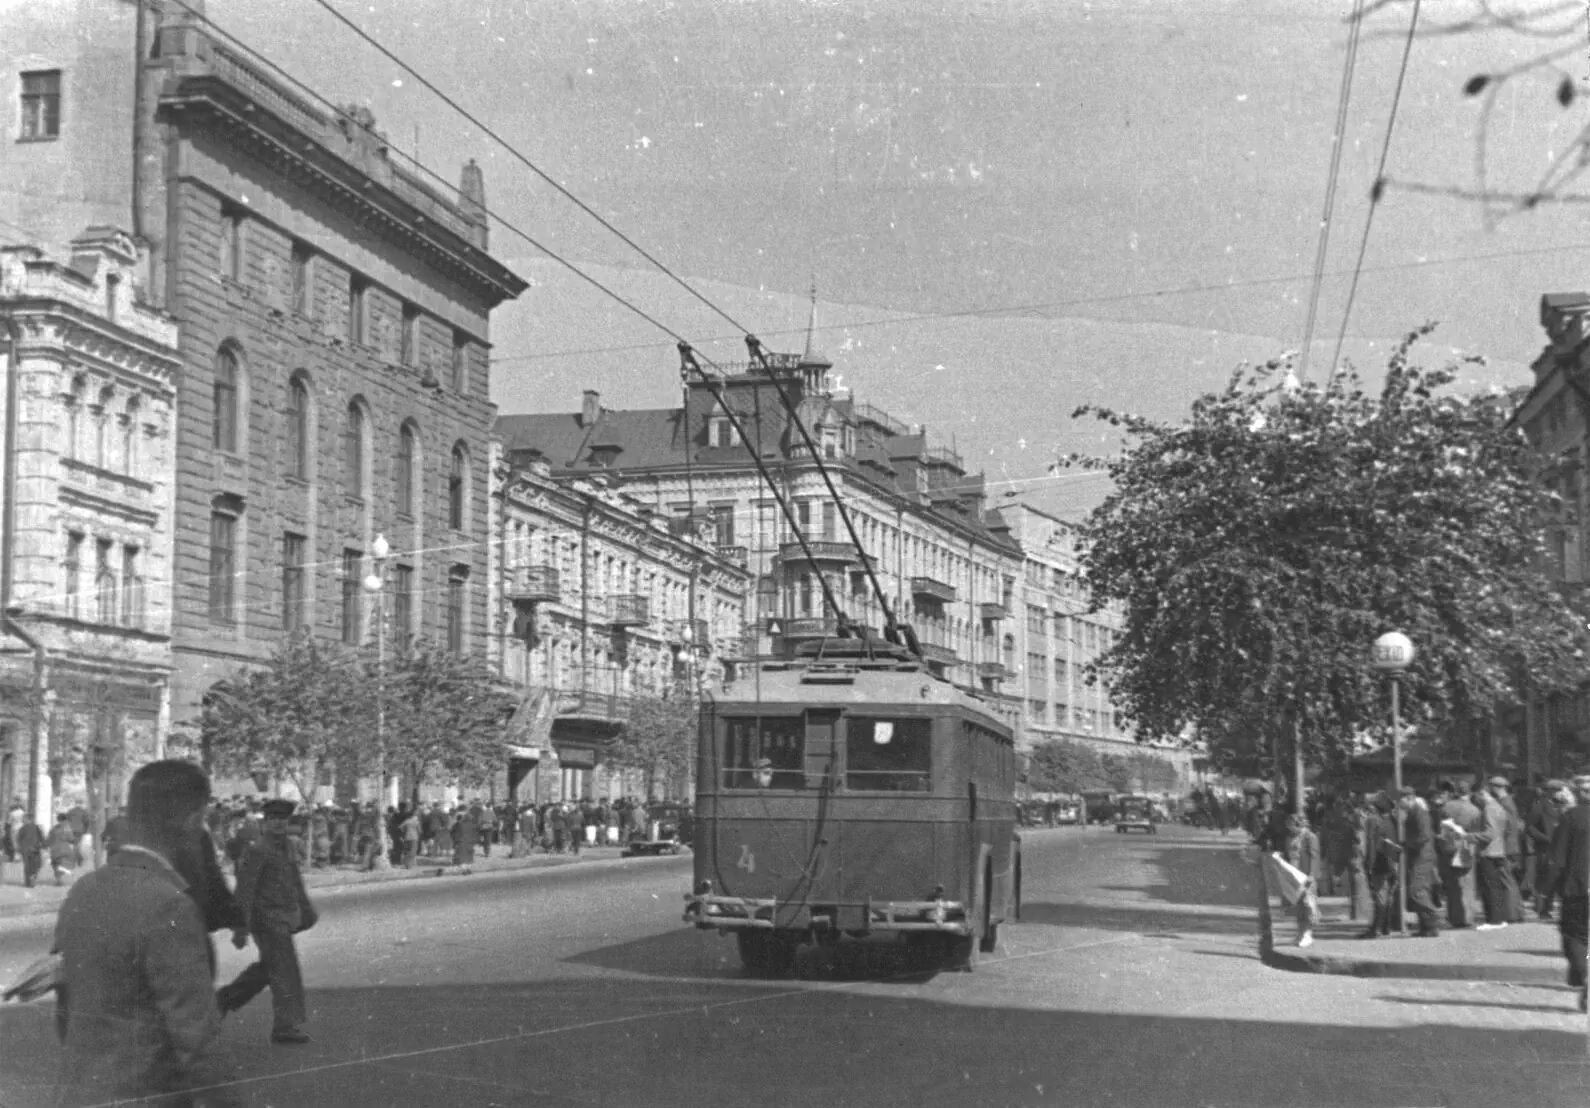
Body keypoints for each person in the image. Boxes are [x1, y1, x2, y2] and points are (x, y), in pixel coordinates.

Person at [51, 759, 233, 1103]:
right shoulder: (169, 904)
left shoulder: (83, 890)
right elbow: (198, 1042)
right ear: (194, 820)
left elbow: (66, 1013)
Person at [217, 798, 317, 1044]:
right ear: (265, 822)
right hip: (266, 920)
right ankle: (285, 1026)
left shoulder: (287, 847)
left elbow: (295, 882)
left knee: (269, 969)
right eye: (273, 819)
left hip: (283, 917)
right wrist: (240, 928)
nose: (278, 824)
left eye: (282, 819)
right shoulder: (257, 850)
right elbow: (245, 890)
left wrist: (306, 910)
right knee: (284, 970)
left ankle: (222, 1001)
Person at [1547, 775, 1588, 1013]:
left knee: (1574, 935)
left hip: (1578, 888)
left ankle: (1583, 974)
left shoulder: (1572, 817)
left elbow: (1557, 860)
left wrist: (1547, 891)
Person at [1474, 775, 1523, 930]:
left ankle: (1513, 913)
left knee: (1506, 881)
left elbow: (1510, 827)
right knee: (1505, 880)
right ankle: (1510, 913)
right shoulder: (1504, 802)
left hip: (1504, 846)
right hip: (1504, 845)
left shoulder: (1505, 803)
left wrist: (1505, 845)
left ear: (1497, 787)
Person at [1398, 787, 1440, 937]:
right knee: (1422, 890)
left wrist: (1407, 843)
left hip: (1423, 855)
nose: (1399, 803)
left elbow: (1424, 836)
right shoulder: (1413, 811)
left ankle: (1432, 916)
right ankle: (1427, 927)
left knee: (1416, 890)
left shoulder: (1419, 812)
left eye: (1400, 799)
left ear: (1408, 797)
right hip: (1419, 855)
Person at [1361, 793, 1401, 938]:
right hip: (1394, 861)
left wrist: (1369, 865)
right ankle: (1386, 927)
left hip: (1379, 861)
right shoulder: (1393, 820)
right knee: (1388, 895)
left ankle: (1376, 929)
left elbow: (1371, 844)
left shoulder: (1372, 820)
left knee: (1379, 895)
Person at [1527, 780, 1567, 920]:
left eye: (1559, 790)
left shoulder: (1559, 805)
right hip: (1545, 847)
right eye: (1555, 790)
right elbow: (1529, 827)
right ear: (1547, 790)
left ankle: (1548, 907)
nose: (1557, 792)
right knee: (1544, 878)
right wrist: (1545, 838)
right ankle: (1542, 909)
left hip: (1558, 847)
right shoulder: (1540, 806)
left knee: (1555, 878)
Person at [1281, 812, 1320, 947]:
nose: (1290, 829)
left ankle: (1308, 933)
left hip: (1305, 875)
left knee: (1307, 905)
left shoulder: (1310, 837)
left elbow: (1314, 857)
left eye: (1292, 826)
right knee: (1297, 905)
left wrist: (1311, 875)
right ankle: (1300, 931)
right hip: (1294, 875)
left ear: (1299, 824)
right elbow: (1287, 854)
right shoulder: (1289, 837)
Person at [47, 812, 77, 885]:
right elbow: (71, 838)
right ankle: (59, 877)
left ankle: (58, 878)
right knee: (65, 862)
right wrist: (74, 842)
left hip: (54, 850)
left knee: (55, 864)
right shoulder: (67, 827)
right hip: (64, 849)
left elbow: (49, 839)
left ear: (58, 820)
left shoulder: (54, 828)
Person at [15, 811, 44, 888]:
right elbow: (42, 838)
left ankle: (29, 881)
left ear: (28, 819)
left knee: (28, 866)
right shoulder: (37, 827)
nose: (22, 820)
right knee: (36, 864)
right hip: (34, 849)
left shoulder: (23, 828)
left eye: (23, 819)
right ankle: (32, 878)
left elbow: (18, 838)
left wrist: (18, 848)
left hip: (27, 849)